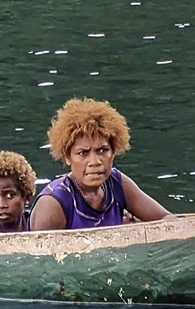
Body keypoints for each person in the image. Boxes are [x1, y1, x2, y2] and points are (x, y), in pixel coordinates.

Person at [30, 98, 173, 231]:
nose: (95, 161)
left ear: (113, 152)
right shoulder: (53, 204)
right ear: (68, 157)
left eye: (102, 150)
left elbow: (167, 219)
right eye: (83, 153)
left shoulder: (116, 183)